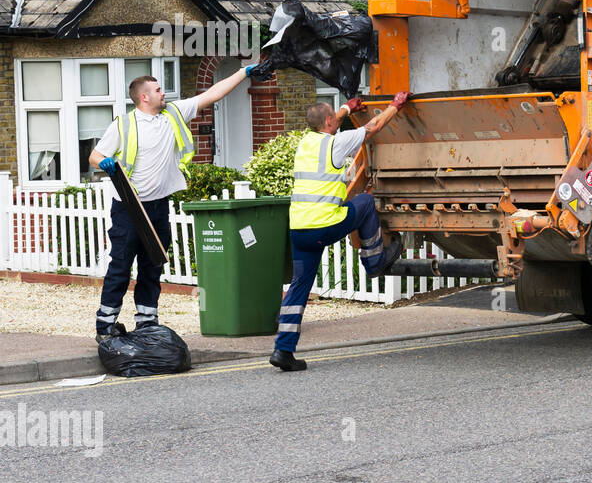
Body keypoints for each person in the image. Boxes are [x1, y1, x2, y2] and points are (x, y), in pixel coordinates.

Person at [88, 65, 260, 341]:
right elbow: (94, 157)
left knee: (152, 265)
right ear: (144, 97)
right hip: (130, 207)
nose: (163, 92)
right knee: (120, 266)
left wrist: (244, 72)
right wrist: (104, 163)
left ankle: (146, 322)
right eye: (157, 90)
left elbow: (213, 94)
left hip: (158, 206)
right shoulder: (124, 124)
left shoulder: (174, 114)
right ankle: (105, 326)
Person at [270, 93, 410, 371]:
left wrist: (348, 108)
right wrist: (395, 106)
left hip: (299, 229)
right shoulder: (336, 143)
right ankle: (374, 261)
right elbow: (373, 128)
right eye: (334, 115)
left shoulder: (305, 142)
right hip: (326, 224)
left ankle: (282, 350)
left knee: (299, 286)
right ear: (328, 122)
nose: (337, 118)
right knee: (366, 202)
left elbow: (332, 121)